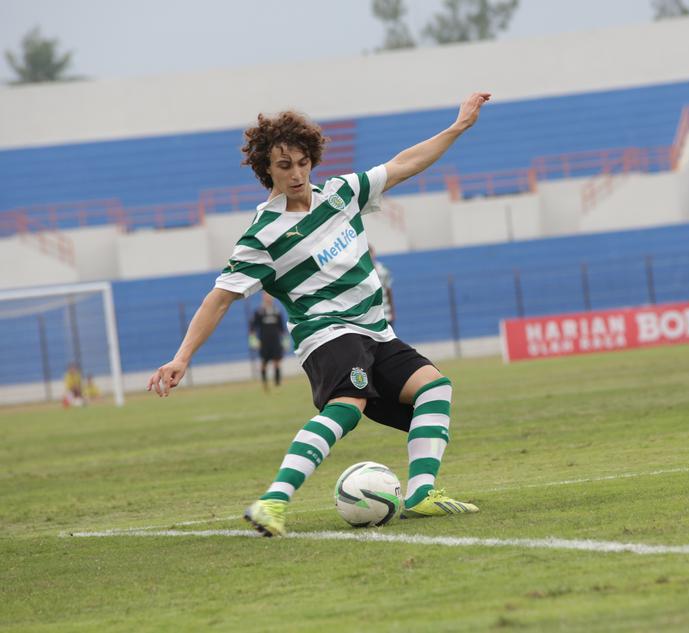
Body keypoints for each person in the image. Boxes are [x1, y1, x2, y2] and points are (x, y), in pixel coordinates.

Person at [148, 92, 491, 537]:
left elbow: (406, 162)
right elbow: (219, 298)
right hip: (327, 335)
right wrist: (182, 358)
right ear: (265, 170)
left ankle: (422, 494)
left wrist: (458, 126)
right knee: (348, 407)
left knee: (434, 390)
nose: (296, 173)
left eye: (302, 162)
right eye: (284, 165)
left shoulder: (342, 193)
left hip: (375, 331)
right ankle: (273, 502)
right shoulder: (262, 235)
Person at [249, 293, 287, 390]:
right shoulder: (259, 312)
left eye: (270, 296)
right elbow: (252, 328)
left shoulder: (277, 311)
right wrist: (253, 340)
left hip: (276, 341)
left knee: (277, 362)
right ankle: (264, 384)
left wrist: (285, 341)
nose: (268, 298)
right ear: (263, 297)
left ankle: (278, 384)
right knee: (264, 363)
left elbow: (282, 328)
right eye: (266, 296)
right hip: (264, 342)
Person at [369, 244, 395, 328]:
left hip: (386, 313)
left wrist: (392, 311)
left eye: (371, 252)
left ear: (374, 254)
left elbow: (389, 290)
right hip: (371, 316)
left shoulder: (383, 269)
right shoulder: (361, 272)